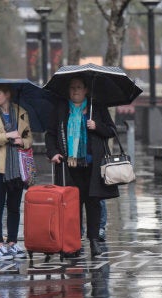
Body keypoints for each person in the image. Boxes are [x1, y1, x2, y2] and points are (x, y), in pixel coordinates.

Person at [45, 76, 120, 257]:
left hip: (92, 164)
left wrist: (97, 126)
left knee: (93, 202)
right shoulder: (61, 108)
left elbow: (112, 130)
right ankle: (74, 241)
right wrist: (53, 152)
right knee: (72, 205)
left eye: (79, 87)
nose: (75, 91)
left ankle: (93, 240)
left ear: (86, 90)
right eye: (72, 88)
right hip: (68, 165)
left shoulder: (96, 107)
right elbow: (51, 134)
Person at [0, 83, 32, 259]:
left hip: (15, 167)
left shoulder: (21, 112)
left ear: (7, 94)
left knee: (14, 207)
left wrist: (22, 142)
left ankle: (12, 242)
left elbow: (29, 138)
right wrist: (7, 136)